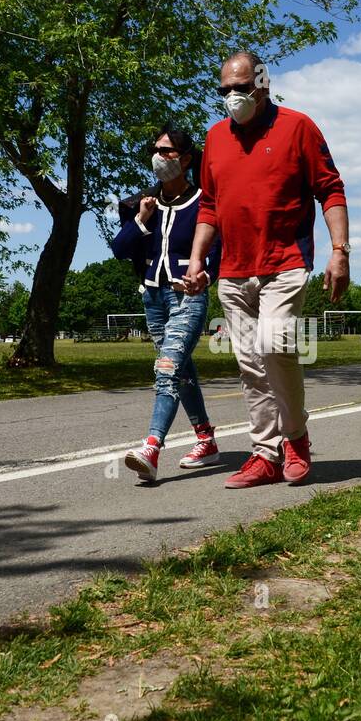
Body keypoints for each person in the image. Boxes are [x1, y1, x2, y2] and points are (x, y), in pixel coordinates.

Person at [183, 51, 349, 488]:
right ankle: (264, 454)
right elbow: (209, 205)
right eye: (225, 90)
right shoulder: (215, 137)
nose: (232, 96)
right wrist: (199, 258)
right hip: (234, 269)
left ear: (263, 82)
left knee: (275, 345)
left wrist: (339, 250)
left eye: (241, 87)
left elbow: (330, 190)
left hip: (285, 262)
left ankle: (295, 438)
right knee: (250, 364)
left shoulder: (298, 127)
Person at [110, 124, 222, 484]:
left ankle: (151, 448)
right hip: (153, 299)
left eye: (167, 151)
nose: (159, 157)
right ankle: (205, 438)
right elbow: (119, 250)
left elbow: (217, 249)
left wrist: (205, 274)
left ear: (186, 158)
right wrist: (142, 219)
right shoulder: (142, 203)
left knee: (167, 369)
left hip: (186, 296)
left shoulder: (204, 201)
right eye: (155, 151)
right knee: (181, 371)